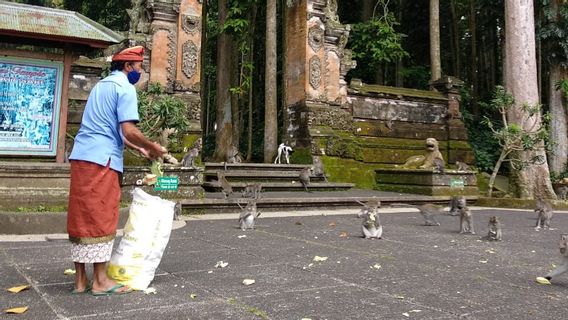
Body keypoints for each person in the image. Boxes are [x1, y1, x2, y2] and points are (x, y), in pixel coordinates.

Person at [67, 46, 167, 296]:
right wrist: (153, 146)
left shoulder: (101, 86)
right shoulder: (125, 87)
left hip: (81, 156)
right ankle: (100, 281)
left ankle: (80, 280)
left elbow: (110, 129)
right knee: (101, 213)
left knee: (81, 215)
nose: (140, 72)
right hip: (103, 160)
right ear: (127, 67)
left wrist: (141, 150)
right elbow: (129, 130)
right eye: (139, 67)